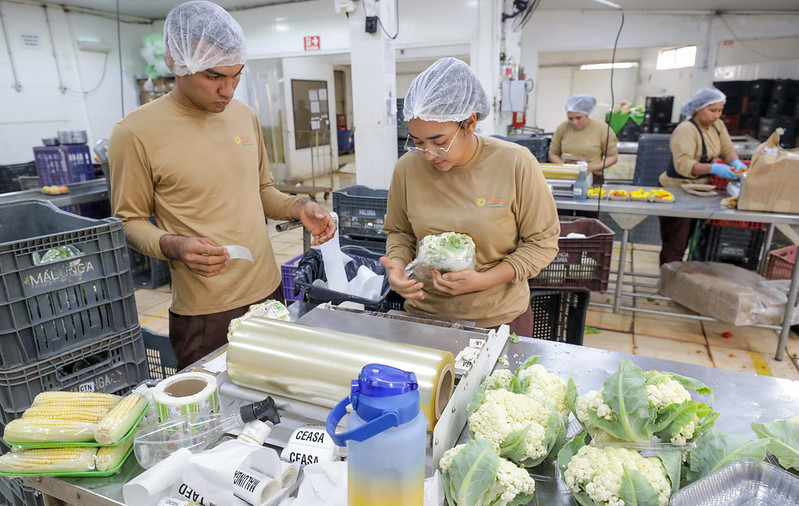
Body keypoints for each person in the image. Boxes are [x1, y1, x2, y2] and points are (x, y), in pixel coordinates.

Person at [108, 1, 335, 369]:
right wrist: (175, 245)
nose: (228, 90)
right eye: (214, 76)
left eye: (236, 75)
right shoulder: (134, 133)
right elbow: (128, 223)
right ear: (175, 63)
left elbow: (262, 191)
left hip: (268, 292)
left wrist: (298, 206)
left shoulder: (244, 116)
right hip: (206, 310)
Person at [379, 58, 560, 337]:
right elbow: (400, 231)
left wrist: (483, 280)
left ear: (470, 123)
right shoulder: (407, 168)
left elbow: (542, 243)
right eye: (417, 142)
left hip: (497, 320)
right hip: (425, 318)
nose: (428, 154)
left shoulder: (514, 162)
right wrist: (399, 268)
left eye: (440, 142)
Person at [657, 87, 746, 265]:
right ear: (698, 108)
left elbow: (726, 149)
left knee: (698, 241)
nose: (717, 115)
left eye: (720, 110)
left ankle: (685, 279)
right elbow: (683, 166)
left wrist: (735, 162)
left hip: (702, 191)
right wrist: (714, 168)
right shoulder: (685, 130)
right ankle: (667, 283)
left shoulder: (717, 126)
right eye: (712, 110)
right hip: (677, 191)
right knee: (676, 243)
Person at [548, 95, 619, 186]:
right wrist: (565, 167)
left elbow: (612, 157)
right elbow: (553, 154)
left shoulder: (602, 129)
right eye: (570, 118)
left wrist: (591, 168)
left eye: (578, 118)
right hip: (566, 177)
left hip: (593, 177)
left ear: (587, 114)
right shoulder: (563, 128)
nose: (574, 122)